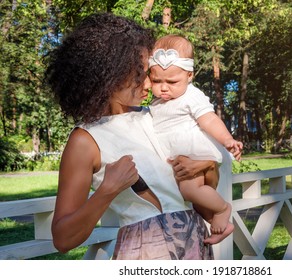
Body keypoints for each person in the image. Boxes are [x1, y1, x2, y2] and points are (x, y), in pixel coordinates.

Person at [45, 13, 219, 260]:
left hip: (196, 246)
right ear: (106, 74)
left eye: (147, 72)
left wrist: (207, 167)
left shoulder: (159, 116)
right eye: (138, 74)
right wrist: (107, 190)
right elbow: (63, 239)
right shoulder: (85, 140)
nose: (149, 84)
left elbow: (204, 199)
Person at [148, 35, 243, 244]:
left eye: (172, 82)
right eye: (157, 81)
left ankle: (223, 208)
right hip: (177, 156)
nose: (164, 87)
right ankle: (220, 226)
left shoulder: (191, 96)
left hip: (192, 151)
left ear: (189, 75)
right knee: (194, 199)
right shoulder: (156, 103)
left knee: (190, 190)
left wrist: (227, 139)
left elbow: (209, 119)